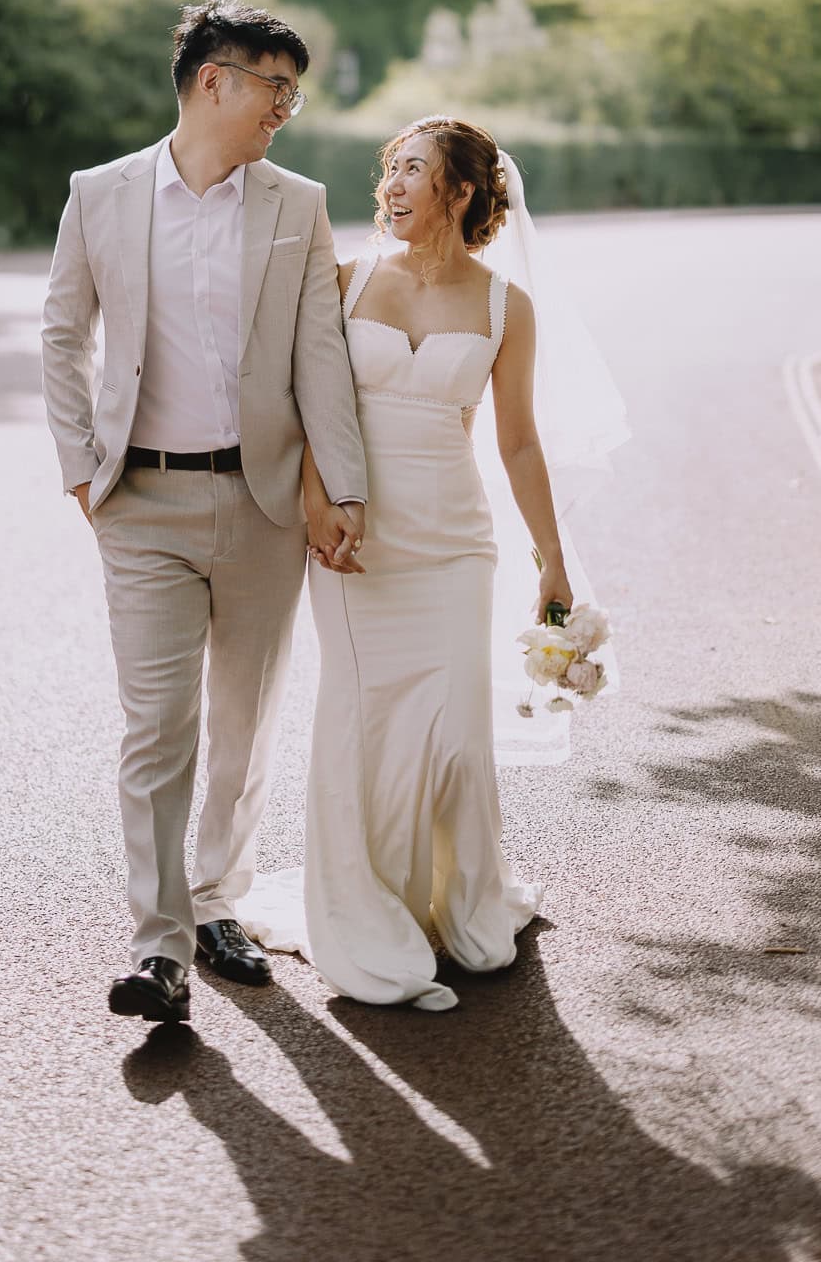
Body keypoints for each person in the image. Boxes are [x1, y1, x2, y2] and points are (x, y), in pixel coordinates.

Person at [41, 0, 367, 1026]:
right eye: (275, 85)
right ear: (212, 79)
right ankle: (159, 947)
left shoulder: (297, 202)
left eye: (294, 91)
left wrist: (340, 483)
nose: (287, 107)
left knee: (241, 723)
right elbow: (62, 332)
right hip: (139, 501)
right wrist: (78, 464)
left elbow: (322, 347)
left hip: (265, 499)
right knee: (156, 727)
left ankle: (220, 899)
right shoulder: (100, 194)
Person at [277, 117, 590, 1011]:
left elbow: (519, 443)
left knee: (453, 738)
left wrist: (552, 559)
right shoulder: (344, 281)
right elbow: (307, 404)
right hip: (355, 543)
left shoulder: (503, 307)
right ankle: (365, 923)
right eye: (391, 169)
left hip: (455, 543)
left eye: (415, 169)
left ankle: (453, 905)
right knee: (363, 725)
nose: (393, 185)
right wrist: (315, 502)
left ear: (460, 193)